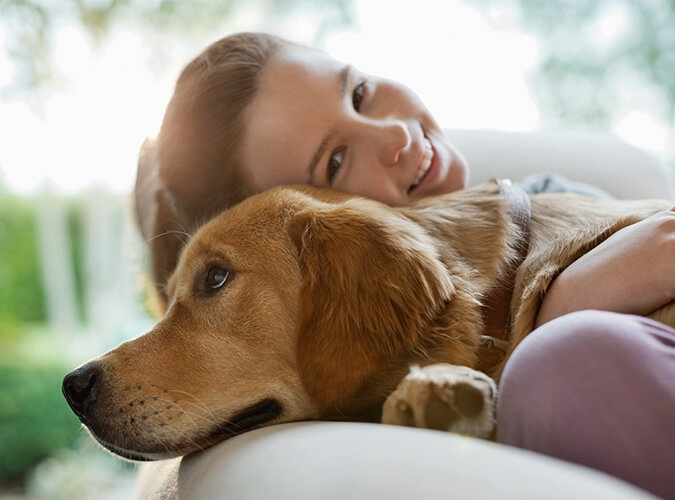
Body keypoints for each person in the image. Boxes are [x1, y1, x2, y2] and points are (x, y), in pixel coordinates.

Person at [135, 32, 675, 498]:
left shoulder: (558, 203)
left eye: (359, 93)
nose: (394, 135)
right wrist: (569, 299)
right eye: (336, 161)